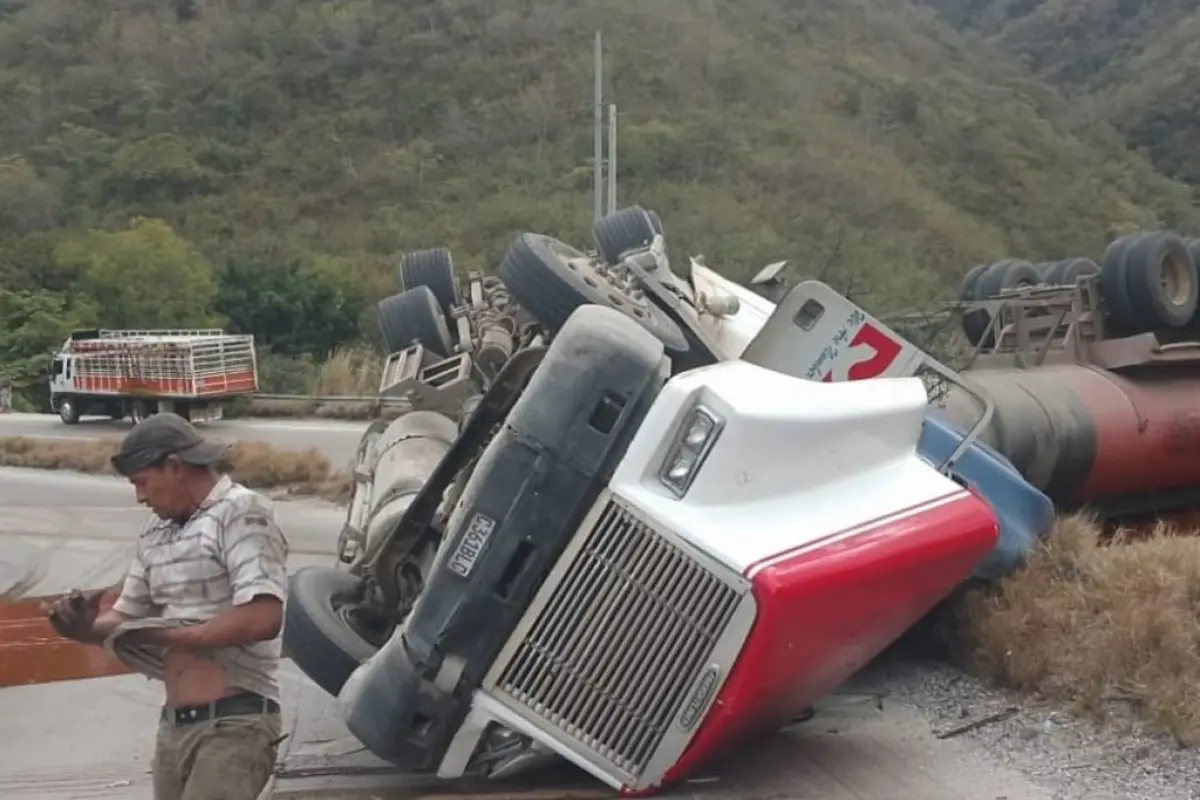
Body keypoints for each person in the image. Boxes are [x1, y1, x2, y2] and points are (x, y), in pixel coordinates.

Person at [41, 413, 290, 800]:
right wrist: (82, 628)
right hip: (174, 729)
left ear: (174, 466)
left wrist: (164, 634)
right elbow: (124, 618)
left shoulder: (241, 513)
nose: (140, 497)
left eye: (142, 483)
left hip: (234, 724)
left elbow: (263, 618)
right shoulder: (155, 532)